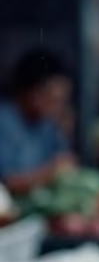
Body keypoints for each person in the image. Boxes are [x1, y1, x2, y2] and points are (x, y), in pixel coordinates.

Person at [0, 49, 76, 195]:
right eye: (54, 100)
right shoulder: (4, 122)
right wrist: (47, 174)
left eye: (62, 102)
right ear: (33, 93)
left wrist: (67, 135)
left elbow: (65, 163)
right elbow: (5, 183)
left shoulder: (48, 124)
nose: (59, 108)